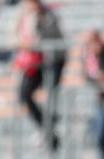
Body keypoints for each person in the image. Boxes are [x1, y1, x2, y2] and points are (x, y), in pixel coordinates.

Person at [14, 0, 66, 149]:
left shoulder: (48, 16)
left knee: (50, 95)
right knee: (24, 94)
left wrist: (37, 20)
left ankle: (50, 126)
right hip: (33, 63)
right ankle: (46, 128)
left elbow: (46, 39)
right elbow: (14, 36)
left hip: (52, 61)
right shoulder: (22, 16)